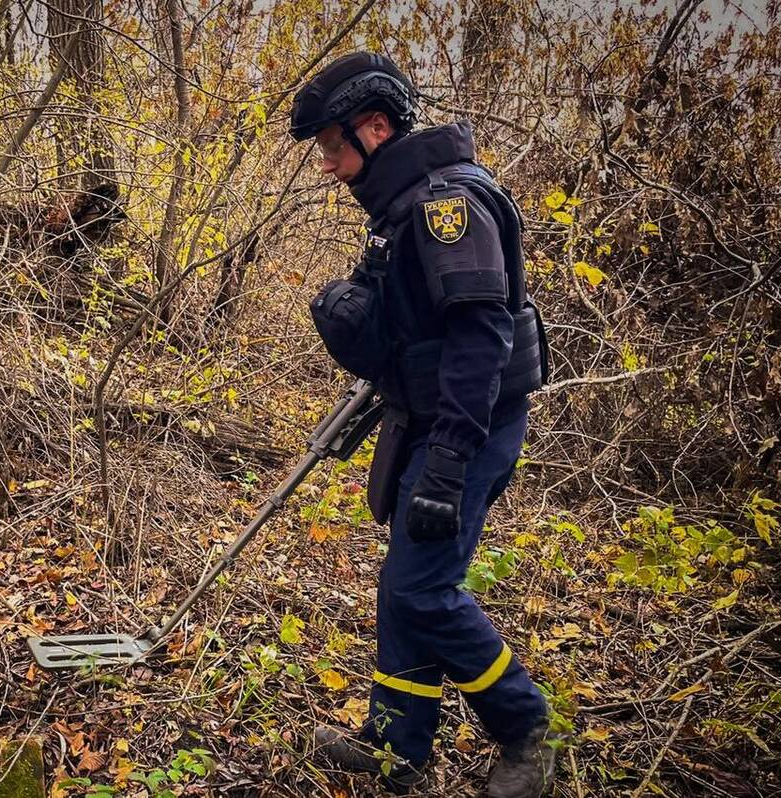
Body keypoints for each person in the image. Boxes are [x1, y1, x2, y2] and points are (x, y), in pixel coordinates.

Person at [290, 52, 558, 797]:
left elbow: (480, 337)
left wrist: (447, 458)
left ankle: (526, 731)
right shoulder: (402, 205)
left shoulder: (449, 206)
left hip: (468, 427)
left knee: (422, 590)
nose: (329, 168)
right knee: (404, 583)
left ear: (374, 128)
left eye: (334, 149)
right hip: (429, 419)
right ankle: (397, 746)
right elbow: (416, 332)